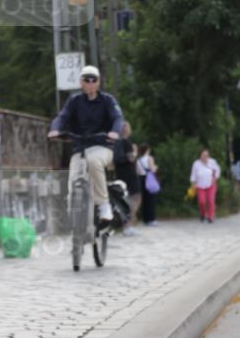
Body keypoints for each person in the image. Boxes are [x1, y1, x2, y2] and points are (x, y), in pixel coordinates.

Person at [48, 65, 123, 226]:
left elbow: (117, 118)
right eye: (86, 80)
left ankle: (103, 204)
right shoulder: (74, 100)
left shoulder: (108, 100)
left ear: (98, 82)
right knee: (73, 177)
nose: (90, 83)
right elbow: (62, 116)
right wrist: (55, 129)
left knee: (93, 161)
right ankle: (74, 216)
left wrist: (114, 132)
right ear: (81, 82)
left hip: (103, 146)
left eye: (93, 80)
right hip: (80, 148)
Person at [112, 121, 141, 235]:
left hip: (120, 174)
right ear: (128, 130)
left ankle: (126, 225)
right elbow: (131, 158)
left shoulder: (115, 143)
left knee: (125, 199)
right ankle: (128, 226)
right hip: (130, 174)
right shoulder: (127, 143)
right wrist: (135, 152)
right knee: (136, 198)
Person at [190, 148, 221, 222]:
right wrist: (193, 183)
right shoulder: (196, 163)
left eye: (206, 155)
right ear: (200, 155)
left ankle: (210, 216)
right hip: (200, 186)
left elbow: (218, 170)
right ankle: (203, 214)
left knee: (211, 201)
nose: (205, 156)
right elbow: (193, 174)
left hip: (211, 185)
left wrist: (215, 178)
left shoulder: (212, 162)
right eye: (203, 155)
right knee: (202, 202)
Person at [137, 144, 160, 226]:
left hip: (141, 179)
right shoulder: (149, 158)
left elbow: (138, 171)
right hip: (149, 179)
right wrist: (156, 167)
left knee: (144, 200)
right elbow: (152, 169)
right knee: (151, 199)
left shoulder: (139, 159)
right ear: (147, 149)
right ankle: (151, 219)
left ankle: (145, 219)